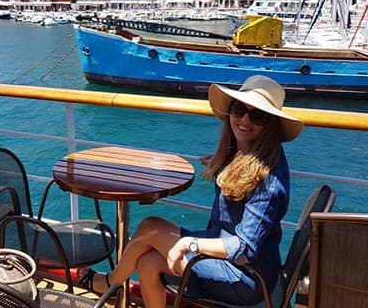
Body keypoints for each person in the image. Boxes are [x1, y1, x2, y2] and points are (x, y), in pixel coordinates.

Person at [78, 75, 304, 307]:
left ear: (271, 126)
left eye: (258, 115)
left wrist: (189, 244)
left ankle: (107, 283)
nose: (245, 119)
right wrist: (221, 163)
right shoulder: (246, 154)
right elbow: (240, 183)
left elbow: (243, 247)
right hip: (227, 257)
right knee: (148, 263)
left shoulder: (268, 180)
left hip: (244, 277)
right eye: (238, 109)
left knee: (151, 228)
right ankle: (111, 282)